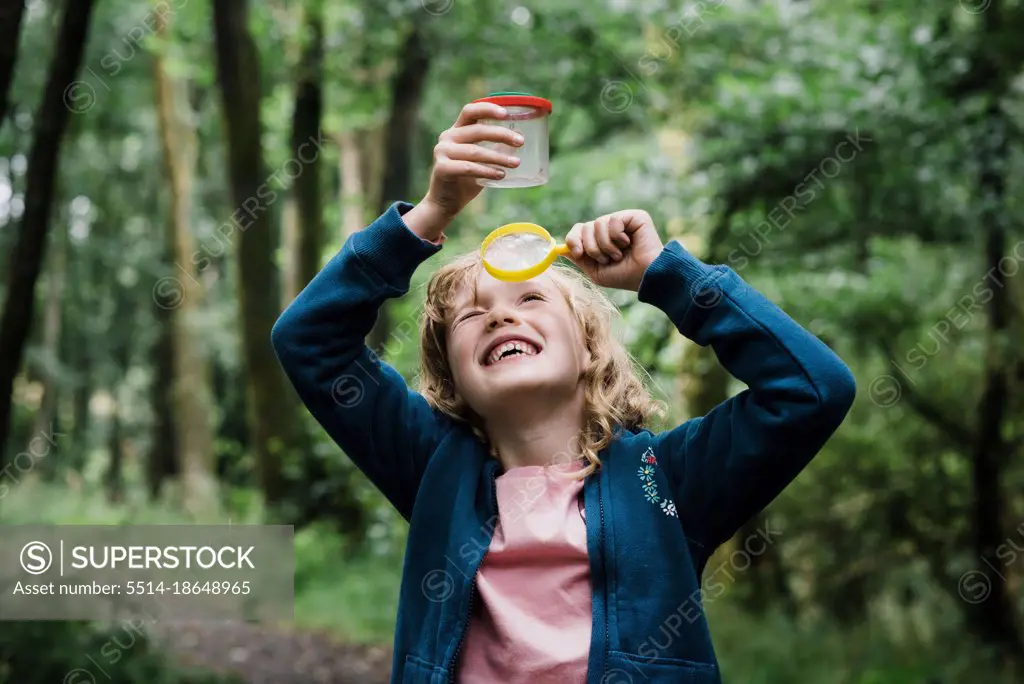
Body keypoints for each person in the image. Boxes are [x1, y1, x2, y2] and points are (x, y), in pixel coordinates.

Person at [271, 101, 857, 684]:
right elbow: (308, 341)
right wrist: (430, 213)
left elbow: (813, 389)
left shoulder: (669, 479)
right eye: (472, 316)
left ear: (589, 349)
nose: (500, 318)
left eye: (530, 300)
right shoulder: (432, 467)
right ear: (451, 378)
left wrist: (666, 276)